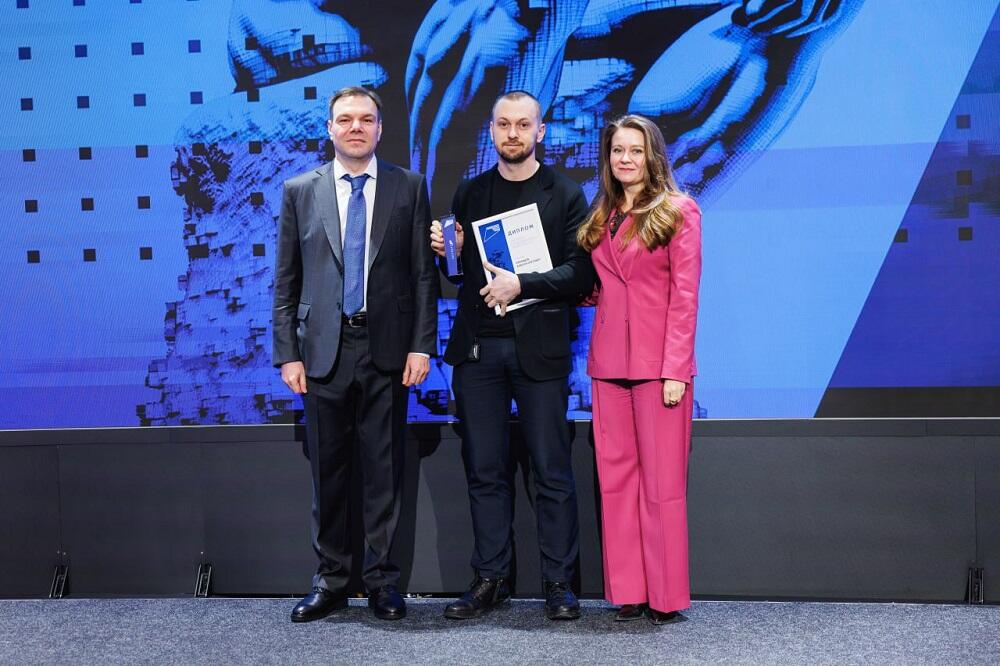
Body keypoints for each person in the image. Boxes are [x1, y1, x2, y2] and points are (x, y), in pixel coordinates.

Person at [272, 86, 438, 622]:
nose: (356, 128)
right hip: (323, 353)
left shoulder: (408, 186)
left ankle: (383, 583)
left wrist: (421, 345)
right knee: (330, 474)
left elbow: (422, 275)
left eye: (366, 119)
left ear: (380, 129)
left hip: (387, 349)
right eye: (345, 119)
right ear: (330, 128)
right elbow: (286, 280)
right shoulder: (300, 190)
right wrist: (288, 354)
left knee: (383, 472)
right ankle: (331, 581)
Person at [428, 91, 595, 620]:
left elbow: (581, 274)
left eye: (524, 125)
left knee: (551, 470)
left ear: (540, 131)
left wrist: (523, 284)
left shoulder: (565, 194)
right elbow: (458, 277)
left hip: (539, 351)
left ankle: (559, 583)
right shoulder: (471, 192)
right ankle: (491, 578)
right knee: (484, 469)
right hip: (479, 351)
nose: (513, 134)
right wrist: (449, 254)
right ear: (493, 130)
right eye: (504, 125)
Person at [577, 114, 702, 625]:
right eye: (617, 151)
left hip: (659, 370)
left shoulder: (679, 211)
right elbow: (597, 289)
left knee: (662, 486)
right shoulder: (602, 215)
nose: (625, 159)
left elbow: (685, 297)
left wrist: (676, 369)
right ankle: (628, 592)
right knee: (616, 483)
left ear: (653, 156)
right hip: (608, 366)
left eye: (635, 150)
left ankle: (665, 596)